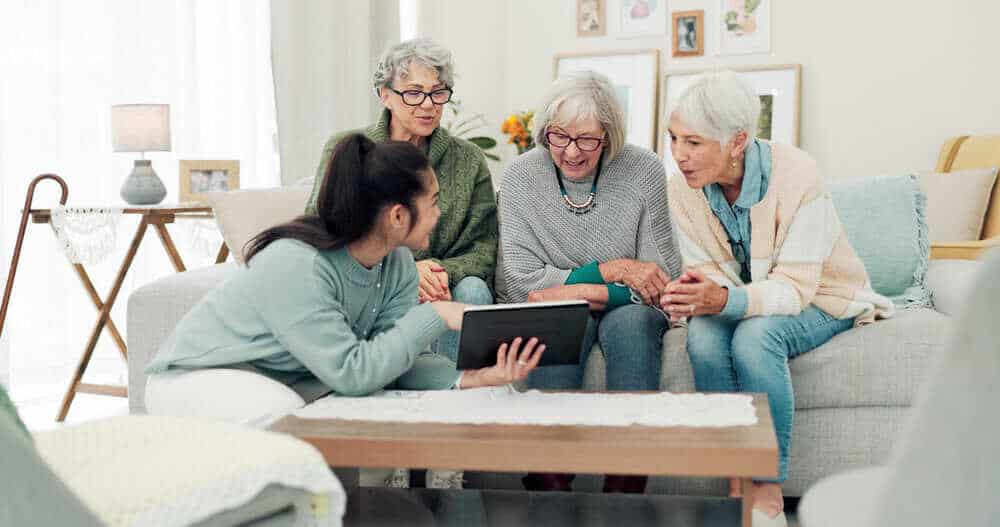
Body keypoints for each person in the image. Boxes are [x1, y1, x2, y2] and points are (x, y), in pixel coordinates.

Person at [145, 135, 543, 481]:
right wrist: (437, 314)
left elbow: (394, 359)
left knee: (361, 422)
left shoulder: (397, 262)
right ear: (398, 216)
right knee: (300, 428)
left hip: (286, 381)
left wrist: (472, 377)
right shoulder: (296, 263)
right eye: (434, 203)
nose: (439, 215)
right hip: (201, 378)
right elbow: (354, 373)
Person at [661, 71, 893, 522]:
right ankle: (734, 476)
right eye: (673, 139)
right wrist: (695, 296)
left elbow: (795, 289)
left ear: (737, 141)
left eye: (693, 142)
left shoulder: (798, 175)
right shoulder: (681, 191)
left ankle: (766, 482)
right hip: (746, 298)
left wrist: (723, 300)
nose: (679, 156)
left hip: (823, 296)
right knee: (703, 337)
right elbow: (705, 273)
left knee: (755, 339)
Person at [498, 71, 682, 494]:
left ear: (609, 136)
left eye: (587, 140)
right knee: (563, 318)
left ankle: (624, 488)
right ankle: (550, 485)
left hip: (629, 308)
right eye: (559, 137)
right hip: (564, 305)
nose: (571, 152)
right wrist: (610, 271)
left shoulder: (643, 170)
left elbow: (660, 277)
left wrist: (588, 290)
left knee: (632, 325)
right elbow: (522, 279)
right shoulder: (522, 177)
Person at [305, 37, 497, 367]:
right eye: (413, 93)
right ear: (385, 95)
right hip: (370, 281)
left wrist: (440, 273)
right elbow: (319, 232)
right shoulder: (349, 150)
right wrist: (406, 272)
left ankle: (457, 402)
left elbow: (484, 247)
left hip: (443, 285)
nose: (428, 105)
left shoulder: (469, 160)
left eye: (438, 92)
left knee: (474, 290)